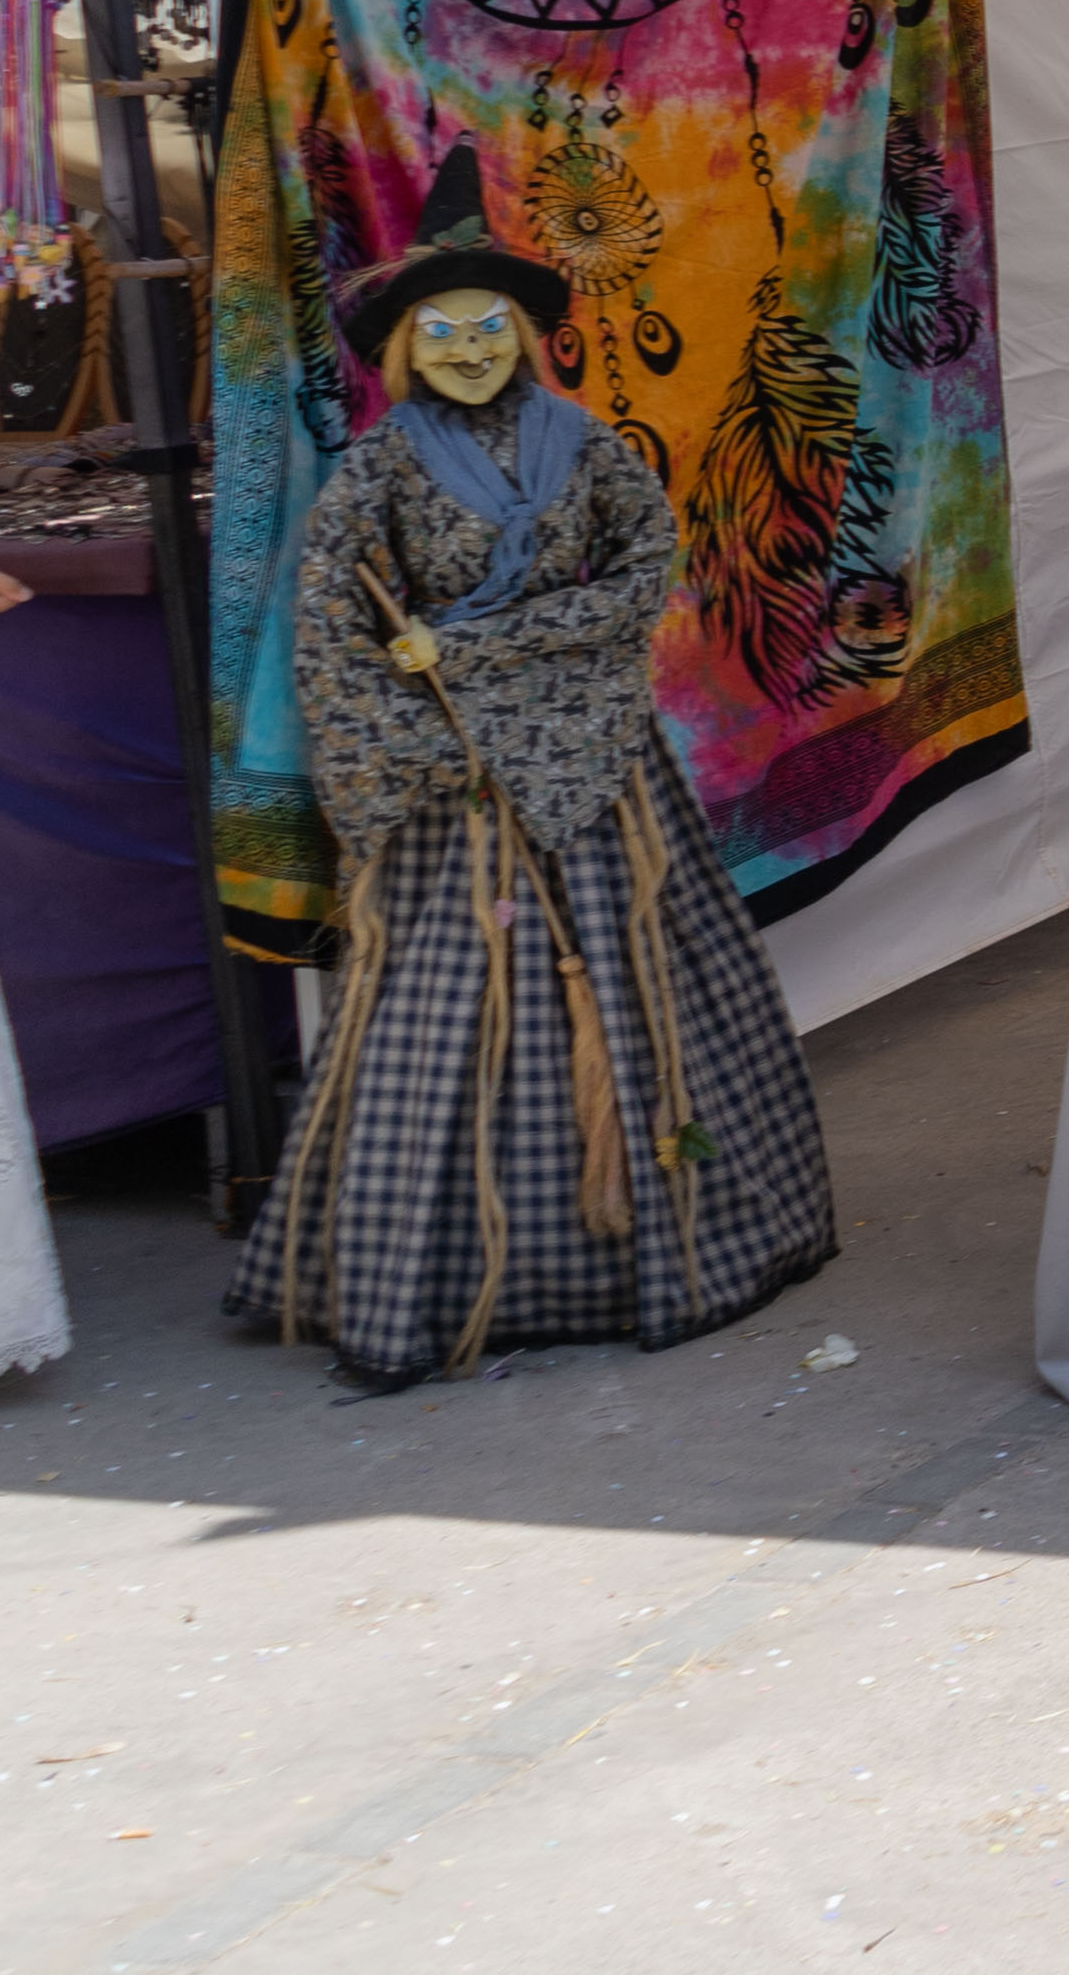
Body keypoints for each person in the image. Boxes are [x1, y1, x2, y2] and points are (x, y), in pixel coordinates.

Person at [226, 146, 837, 1391]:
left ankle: (666, 1241)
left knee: (644, 980)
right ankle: (431, 1282)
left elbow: (644, 569)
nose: (469, 347)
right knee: (440, 1010)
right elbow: (332, 633)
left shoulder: (587, 446)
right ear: (408, 345)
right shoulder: (378, 471)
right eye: (442, 330)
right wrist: (418, 741)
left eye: (488, 324)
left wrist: (473, 646)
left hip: (596, 756)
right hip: (452, 778)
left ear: (524, 332)